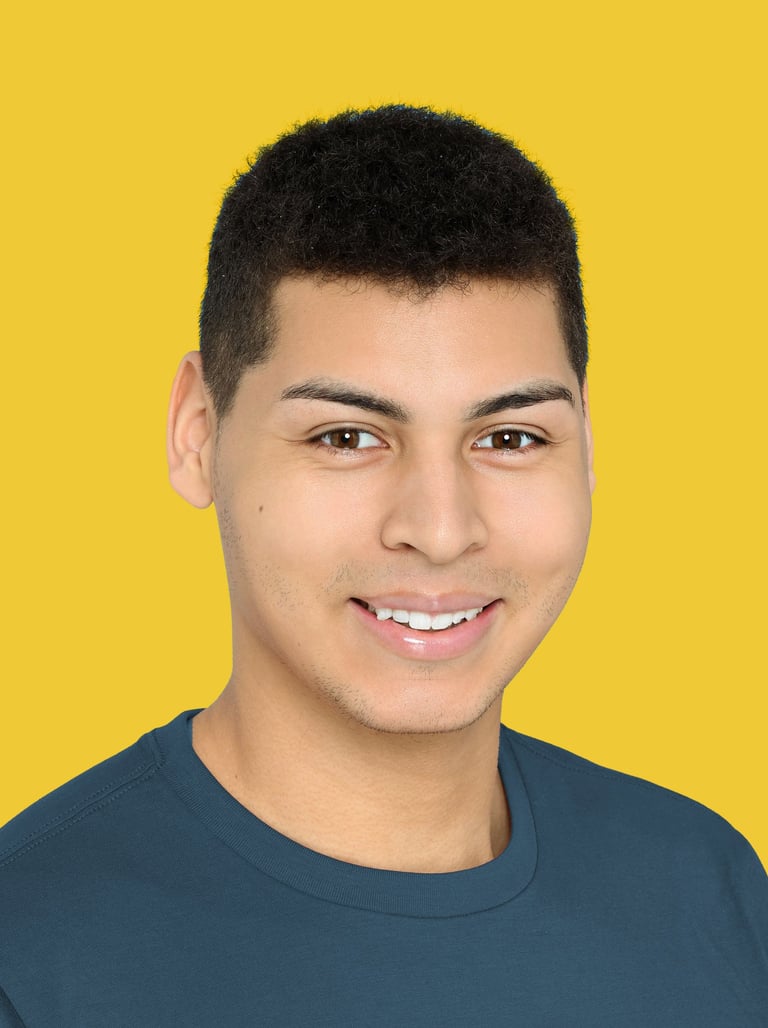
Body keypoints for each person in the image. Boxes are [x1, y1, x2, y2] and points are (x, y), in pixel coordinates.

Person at [1, 105, 766, 1027]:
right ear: (198, 432)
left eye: (512, 436)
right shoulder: (31, 953)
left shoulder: (708, 886)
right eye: (348, 436)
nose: (440, 530)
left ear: (588, 443)